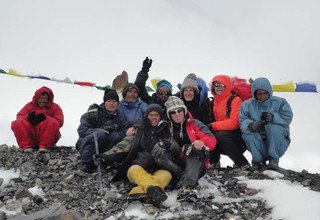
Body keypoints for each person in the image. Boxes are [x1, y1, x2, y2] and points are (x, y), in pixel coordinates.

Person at [152, 96, 217, 201]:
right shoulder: (166, 127)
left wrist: (201, 142)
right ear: (169, 115)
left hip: (195, 162)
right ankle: (183, 177)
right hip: (176, 164)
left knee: (194, 151)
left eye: (179, 110)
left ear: (184, 110)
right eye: (173, 112)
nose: (177, 114)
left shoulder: (194, 123)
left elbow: (211, 139)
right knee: (159, 154)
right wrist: (163, 144)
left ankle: (187, 187)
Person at [109, 104, 172, 205]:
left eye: (156, 115)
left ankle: (137, 192)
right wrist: (106, 156)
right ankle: (153, 189)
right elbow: (123, 146)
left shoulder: (166, 130)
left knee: (167, 174)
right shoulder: (139, 130)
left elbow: (173, 144)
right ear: (147, 116)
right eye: (151, 115)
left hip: (157, 168)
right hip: (138, 167)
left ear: (160, 116)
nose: (154, 117)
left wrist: (167, 144)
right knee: (134, 170)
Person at [239, 77, 293, 171]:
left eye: (265, 93)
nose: (262, 96)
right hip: (258, 140)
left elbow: (287, 118)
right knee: (249, 134)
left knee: (273, 127)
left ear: (269, 92)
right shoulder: (246, 105)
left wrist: (273, 117)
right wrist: (251, 125)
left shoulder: (280, 102)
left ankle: (274, 160)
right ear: (254, 93)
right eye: (259, 94)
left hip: (278, 141)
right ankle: (257, 162)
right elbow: (242, 120)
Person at [76, 88, 129, 173]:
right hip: (86, 143)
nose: (111, 104)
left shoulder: (120, 117)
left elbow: (125, 131)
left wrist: (113, 131)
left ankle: (103, 161)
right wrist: (100, 131)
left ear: (118, 104)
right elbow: (82, 131)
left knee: (115, 136)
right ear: (104, 102)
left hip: (105, 146)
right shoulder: (94, 113)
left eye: (114, 101)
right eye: (109, 101)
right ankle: (87, 163)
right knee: (100, 135)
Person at [207, 75, 250, 169]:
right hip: (223, 140)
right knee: (208, 135)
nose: (218, 87)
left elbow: (235, 123)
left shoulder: (235, 100)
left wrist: (213, 126)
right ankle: (213, 163)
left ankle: (243, 164)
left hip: (238, 140)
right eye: (216, 85)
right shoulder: (214, 102)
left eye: (221, 85)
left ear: (227, 85)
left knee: (219, 135)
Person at [11, 86, 64, 153]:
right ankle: (26, 146)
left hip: (47, 136)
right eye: (40, 98)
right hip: (31, 135)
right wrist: (28, 117)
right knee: (16, 123)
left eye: (45, 98)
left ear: (49, 99)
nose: (42, 101)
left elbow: (59, 121)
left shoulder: (55, 107)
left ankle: (44, 146)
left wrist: (45, 117)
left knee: (52, 122)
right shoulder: (29, 106)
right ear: (36, 98)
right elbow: (19, 117)